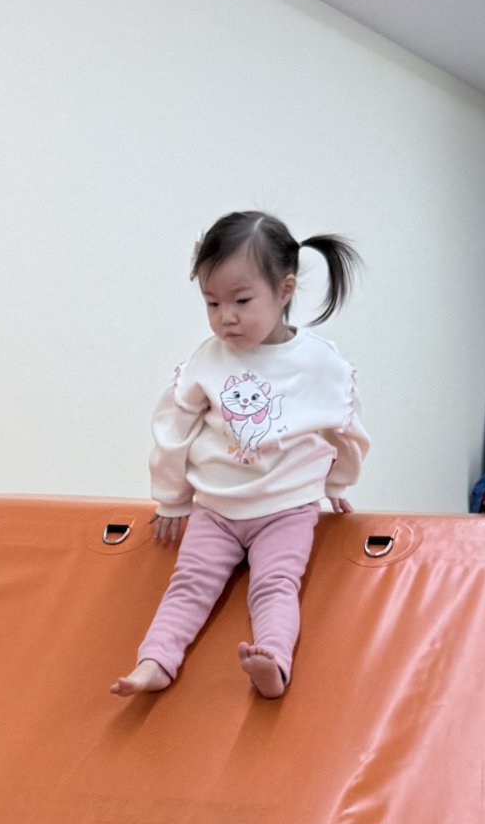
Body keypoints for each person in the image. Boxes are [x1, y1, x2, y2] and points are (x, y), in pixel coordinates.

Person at [112, 212, 367, 700]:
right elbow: (174, 429)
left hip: (286, 509)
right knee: (188, 584)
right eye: (212, 302)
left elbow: (345, 430)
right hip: (216, 508)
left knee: (275, 585)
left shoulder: (320, 363)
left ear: (284, 290)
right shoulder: (208, 359)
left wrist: (338, 483)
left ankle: (272, 661)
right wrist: (172, 498)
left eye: (241, 301)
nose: (225, 316)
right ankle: (155, 661)